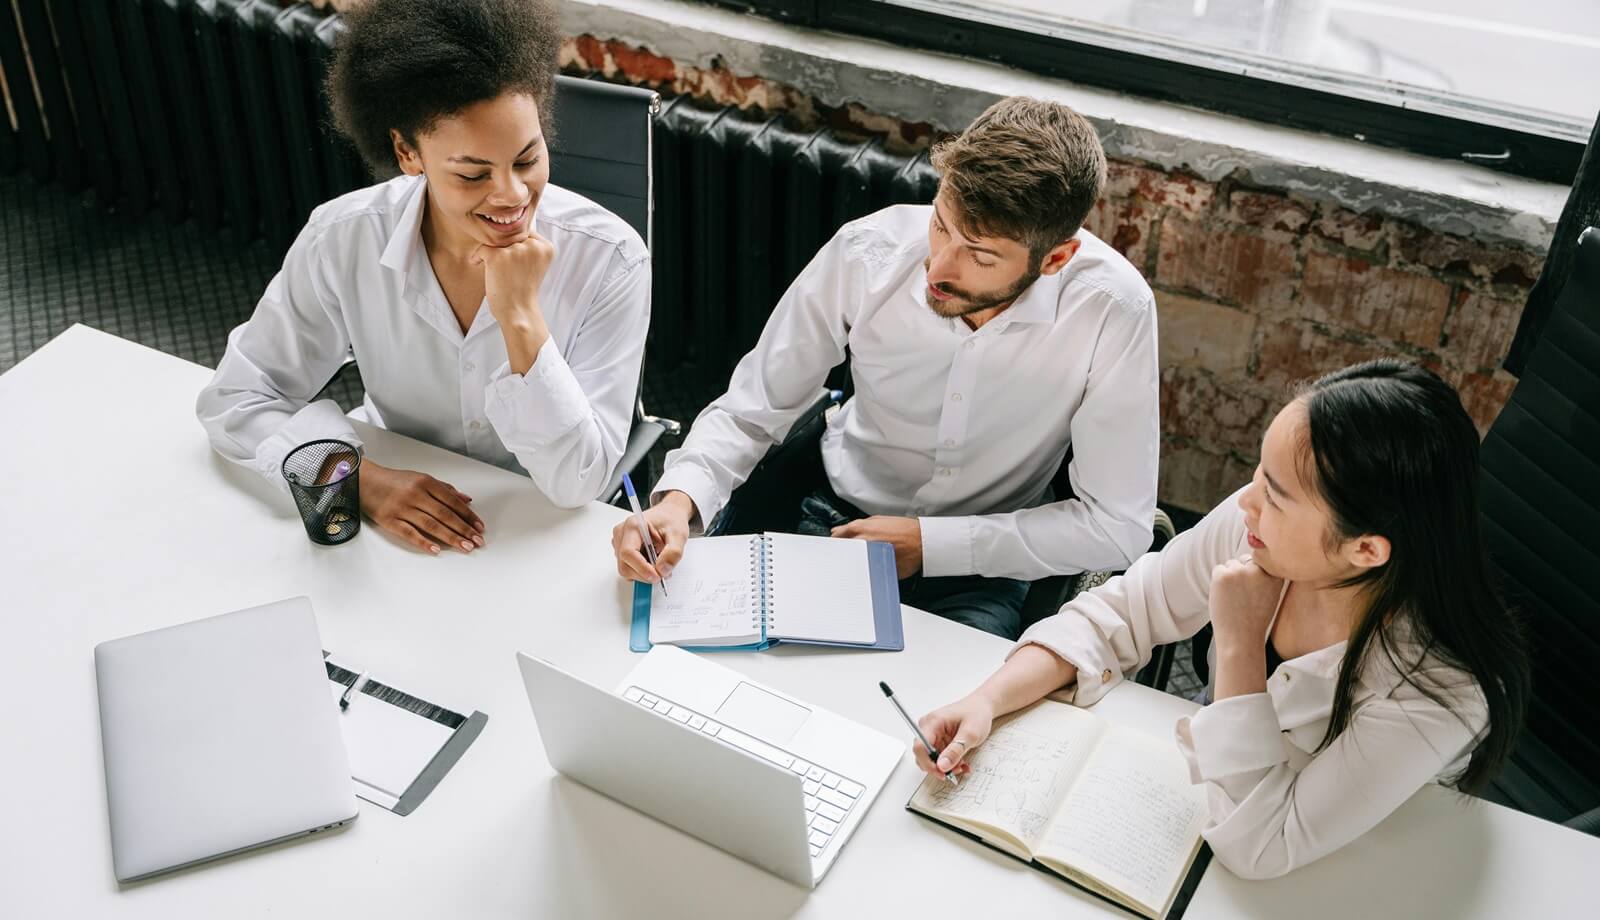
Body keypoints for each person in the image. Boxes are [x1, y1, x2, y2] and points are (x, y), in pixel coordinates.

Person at [911, 359, 1531, 879]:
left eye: (1277, 494)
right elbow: (1122, 612)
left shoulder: (1440, 690)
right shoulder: (1256, 526)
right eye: (1259, 473)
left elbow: (1260, 845)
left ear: (1365, 549)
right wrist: (989, 700)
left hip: (1352, 874)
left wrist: (1237, 642)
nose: (1246, 501)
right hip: (1204, 820)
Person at [611, 96, 1160, 639]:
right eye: (941, 224)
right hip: (828, 515)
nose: (938, 269)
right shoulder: (867, 252)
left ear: (1056, 258)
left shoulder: (1113, 311)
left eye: (980, 254)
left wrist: (931, 546)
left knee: (944, 720)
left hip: (983, 563)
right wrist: (680, 499)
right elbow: (753, 408)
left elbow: (1119, 527)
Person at [197, 0, 649, 553]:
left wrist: (521, 318)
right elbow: (239, 397)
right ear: (408, 152)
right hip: (395, 521)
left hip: (538, 530)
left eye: (527, 160)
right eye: (472, 173)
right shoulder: (343, 237)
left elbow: (579, 480)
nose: (511, 195)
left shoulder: (612, 258)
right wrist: (361, 480)